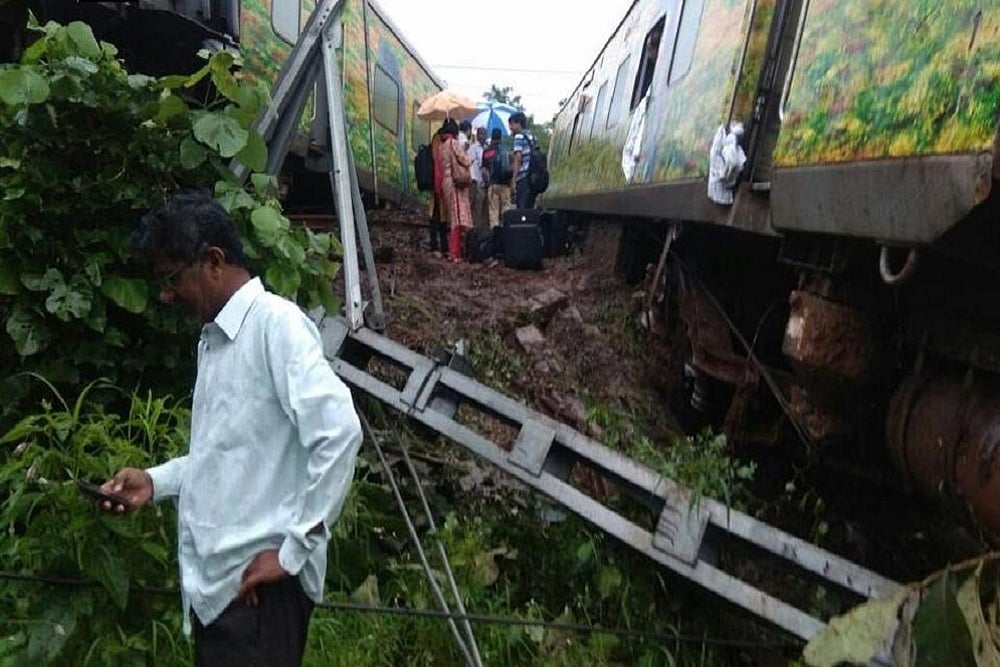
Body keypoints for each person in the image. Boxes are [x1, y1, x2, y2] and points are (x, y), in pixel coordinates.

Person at [101, 191, 363, 666]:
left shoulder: (275, 327)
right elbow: (223, 453)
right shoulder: (216, 341)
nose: (165, 294)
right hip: (220, 595)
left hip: (258, 595)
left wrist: (292, 552)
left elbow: (340, 432)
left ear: (214, 262)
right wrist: (154, 482)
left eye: (171, 278)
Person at [439, 118, 473, 262]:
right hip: (456, 182)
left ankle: (454, 252)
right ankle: (455, 252)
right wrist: (466, 150)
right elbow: (465, 160)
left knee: (453, 217)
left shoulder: (442, 146)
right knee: (458, 218)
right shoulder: (453, 143)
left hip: (446, 182)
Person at [481, 127, 512, 229]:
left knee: (493, 214)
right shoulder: (507, 151)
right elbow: (510, 168)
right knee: (506, 213)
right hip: (506, 185)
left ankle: (495, 237)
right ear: (501, 137)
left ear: (492, 137)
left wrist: (487, 184)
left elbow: (484, 171)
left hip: (493, 185)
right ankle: (506, 236)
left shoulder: (486, 152)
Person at [508, 111, 537, 210]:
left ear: (518, 123)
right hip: (533, 178)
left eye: (512, 124)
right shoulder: (532, 136)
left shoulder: (519, 137)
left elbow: (518, 159)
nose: (510, 127)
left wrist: (514, 179)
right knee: (530, 209)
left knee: (522, 210)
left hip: (523, 177)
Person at [429, 124, 450, 256]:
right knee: (438, 216)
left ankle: (441, 246)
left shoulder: (437, 139)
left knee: (441, 216)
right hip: (438, 183)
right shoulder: (439, 141)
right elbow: (437, 163)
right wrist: (438, 184)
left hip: (440, 183)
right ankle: (436, 246)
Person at [468, 126, 487, 230]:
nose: (483, 136)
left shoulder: (487, 148)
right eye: (481, 134)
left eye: (485, 134)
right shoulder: (473, 149)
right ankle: (473, 233)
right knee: (476, 210)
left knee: (484, 212)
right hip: (476, 184)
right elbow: (470, 166)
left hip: (486, 185)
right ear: (477, 135)